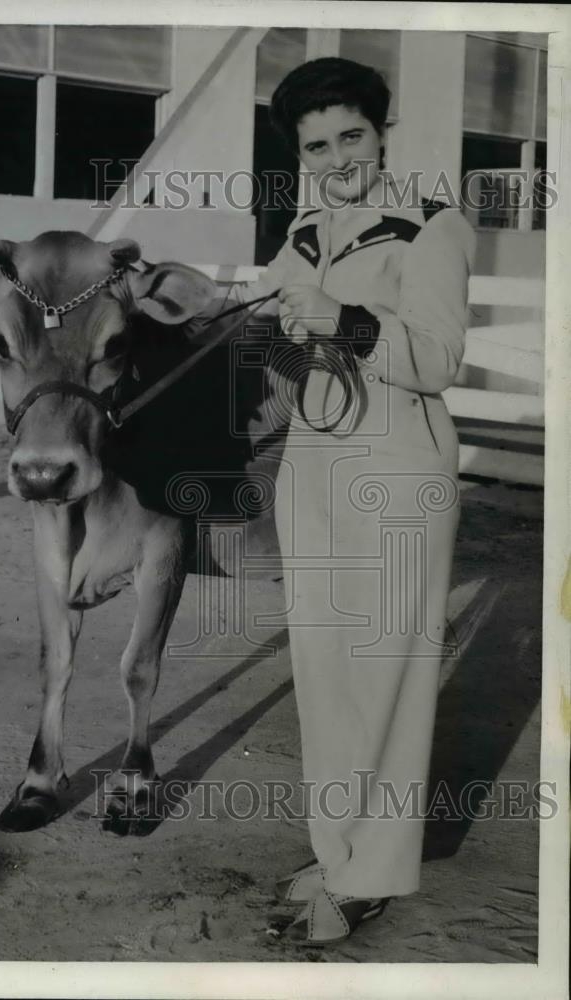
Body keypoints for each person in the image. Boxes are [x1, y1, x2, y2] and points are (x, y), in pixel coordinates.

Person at [229, 57, 476, 946]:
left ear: (381, 133)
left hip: (399, 466)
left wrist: (332, 314)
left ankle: (371, 875)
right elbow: (271, 325)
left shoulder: (428, 225)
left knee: (385, 679)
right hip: (313, 463)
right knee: (326, 681)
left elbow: (439, 360)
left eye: (351, 137)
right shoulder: (303, 228)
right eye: (315, 146)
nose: (336, 159)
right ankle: (336, 854)